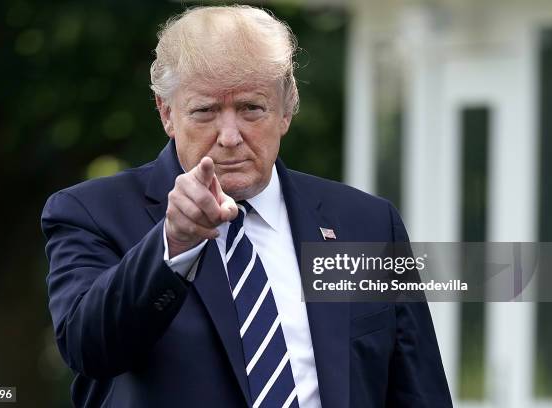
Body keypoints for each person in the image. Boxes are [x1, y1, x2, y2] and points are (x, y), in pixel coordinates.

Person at [41, 5, 452, 408]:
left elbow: (419, 390)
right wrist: (172, 246)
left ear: (287, 109)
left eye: (251, 108)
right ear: (167, 113)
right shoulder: (92, 213)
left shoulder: (366, 223)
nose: (230, 136)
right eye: (205, 111)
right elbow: (88, 348)